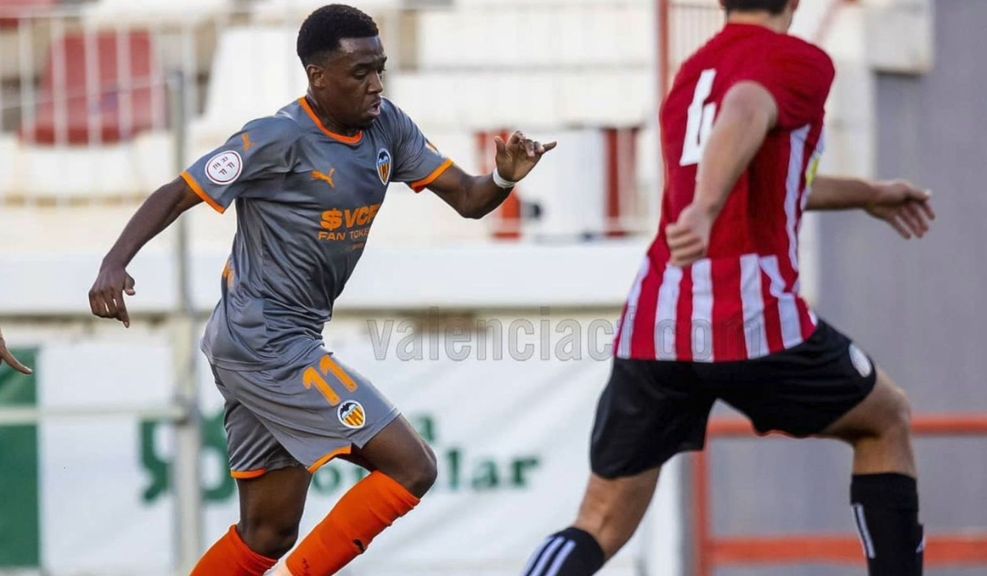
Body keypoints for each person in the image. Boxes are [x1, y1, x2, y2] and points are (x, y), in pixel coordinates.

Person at [88, 5, 555, 575]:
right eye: (361, 72)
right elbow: (177, 192)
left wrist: (505, 177)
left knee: (268, 532)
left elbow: (468, 198)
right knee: (414, 467)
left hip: (271, 341)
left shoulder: (389, 127)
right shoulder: (277, 138)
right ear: (318, 77)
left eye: (380, 68)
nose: (376, 85)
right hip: (267, 341)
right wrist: (115, 262)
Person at [520, 1, 934, 575]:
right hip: (746, 319)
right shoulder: (798, 60)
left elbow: (771, 172)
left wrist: (865, 193)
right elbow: (746, 109)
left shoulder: (693, 72)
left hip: (657, 322)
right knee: (885, 418)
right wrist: (706, 209)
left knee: (600, 520)